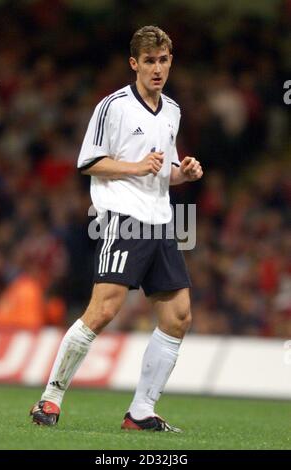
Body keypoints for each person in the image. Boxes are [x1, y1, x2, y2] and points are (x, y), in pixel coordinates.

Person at [30, 25, 203, 432]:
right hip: (123, 218)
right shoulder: (114, 107)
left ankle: (141, 412)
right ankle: (50, 398)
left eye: (163, 61)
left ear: (170, 62)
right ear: (134, 64)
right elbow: (88, 161)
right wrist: (136, 166)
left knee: (178, 317)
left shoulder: (173, 110)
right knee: (103, 310)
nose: (157, 69)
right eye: (149, 62)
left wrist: (185, 173)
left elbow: (165, 171)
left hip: (162, 223)